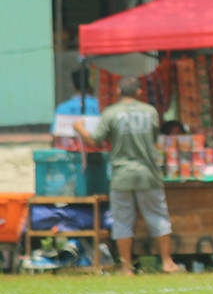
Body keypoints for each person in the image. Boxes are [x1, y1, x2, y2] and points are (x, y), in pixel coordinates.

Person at [74, 77, 182, 276]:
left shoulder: (111, 113)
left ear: (117, 90)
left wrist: (80, 129)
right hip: (148, 173)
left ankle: (126, 267)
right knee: (158, 216)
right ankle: (167, 262)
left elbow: (95, 140)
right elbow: (154, 136)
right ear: (139, 92)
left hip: (122, 175)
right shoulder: (150, 112)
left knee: (123, 221)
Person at [51, 69, 101, 150]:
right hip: (97, 152)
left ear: (73, 86)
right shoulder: (101, 107)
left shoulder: (62, 108)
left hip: (69, 154)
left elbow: (55, 137)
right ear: (91, 86)